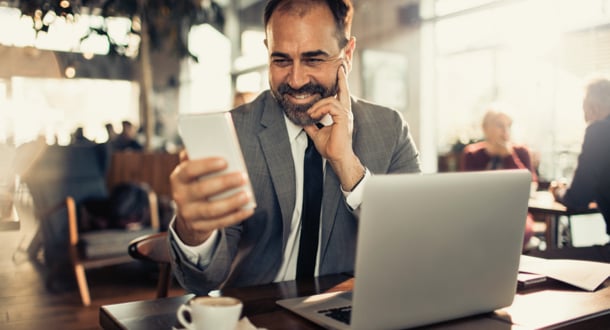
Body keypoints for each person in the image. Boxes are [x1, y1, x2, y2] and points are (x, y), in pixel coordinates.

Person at [168, 0, 421, 296]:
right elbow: (203, 281)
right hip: (261, 313)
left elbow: (413, 244)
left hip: (351, 307)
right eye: (281, 60)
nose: (297, 80)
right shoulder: (235, 133)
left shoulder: (389, 129)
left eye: (314, 60)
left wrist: (346, 164)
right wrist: (194, 228)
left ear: (347, 55)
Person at [460, 107, 539, 250]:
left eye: (509, 125)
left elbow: (529, 185)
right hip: (481, 213)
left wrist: (509, 156)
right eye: (499, 125)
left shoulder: (521, 152)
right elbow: (468, 190)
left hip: (515, 213)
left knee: (515, 233)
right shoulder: (472, 154)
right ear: (485, 128)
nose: (505, 130)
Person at [551, 76, 610, 240]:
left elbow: (577, 198)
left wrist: (558, 191)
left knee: (537, 260)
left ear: (593, 106)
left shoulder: (599, 131)